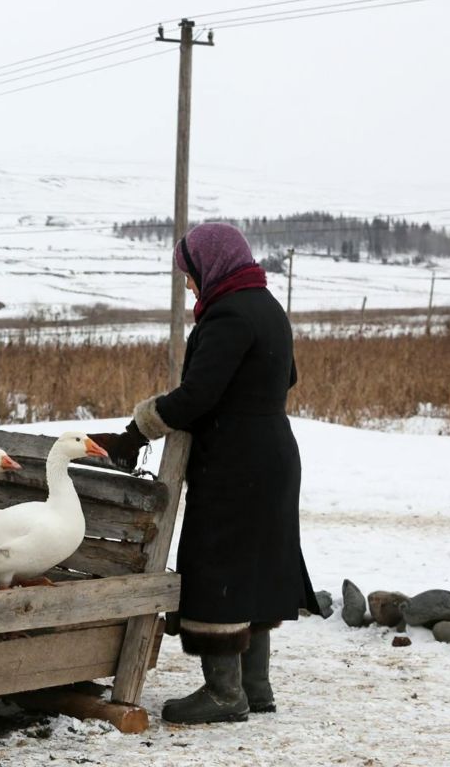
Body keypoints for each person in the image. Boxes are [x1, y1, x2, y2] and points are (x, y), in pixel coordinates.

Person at [91, 222, 317, 725]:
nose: (190, 285)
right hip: (273, 452)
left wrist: (133, 434)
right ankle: (255, 687)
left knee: (218, 563)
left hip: (236, 460)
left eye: (190, 275)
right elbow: (288, 377)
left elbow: (198, 395)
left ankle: (223, 693)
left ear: (209, 266)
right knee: (255, 561)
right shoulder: (266, 307)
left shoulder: (229, 315)